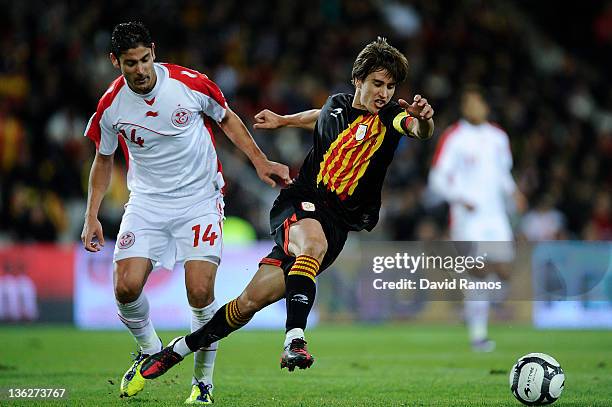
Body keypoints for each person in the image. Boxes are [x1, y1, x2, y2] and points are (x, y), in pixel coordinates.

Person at [138, 37, 435, 379]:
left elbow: (417, 129)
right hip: (301, 200)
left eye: (391, 86)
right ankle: (295, 339)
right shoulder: (338, 104)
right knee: (312, 244)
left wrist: (423, 120)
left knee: (248, 303)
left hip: (337, 224)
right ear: (358, 81)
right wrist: (284, 120)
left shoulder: (390, 117)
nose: (384, 93)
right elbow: (322, 117)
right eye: (377, 84)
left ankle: (178, 350)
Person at [80, 21, 290, 403]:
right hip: (146, 203)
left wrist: (260, 162)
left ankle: (202, 382)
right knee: (125, 287)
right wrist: (91, 215)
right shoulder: (111, 105)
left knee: (199, 290)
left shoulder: (189, 84)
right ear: (115, 62)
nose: (140, 69)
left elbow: (227, 118)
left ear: (154, 52)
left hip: (199, 200)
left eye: (145, 59)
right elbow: (103, 158)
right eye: (130, 63)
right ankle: (147, 349)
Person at [428, 85, 527, 352]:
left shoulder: (498, 137)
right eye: (467, 103)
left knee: (504, 270)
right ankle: (478, 334)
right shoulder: (455, 137)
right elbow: (436, 179)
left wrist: (514, 192)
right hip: (467, 216)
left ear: (485, 106)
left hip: (496, 215)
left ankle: (474, 308)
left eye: (476, 102)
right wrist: (460, 197)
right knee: (479, 271)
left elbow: (502, 174)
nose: (472, 107)